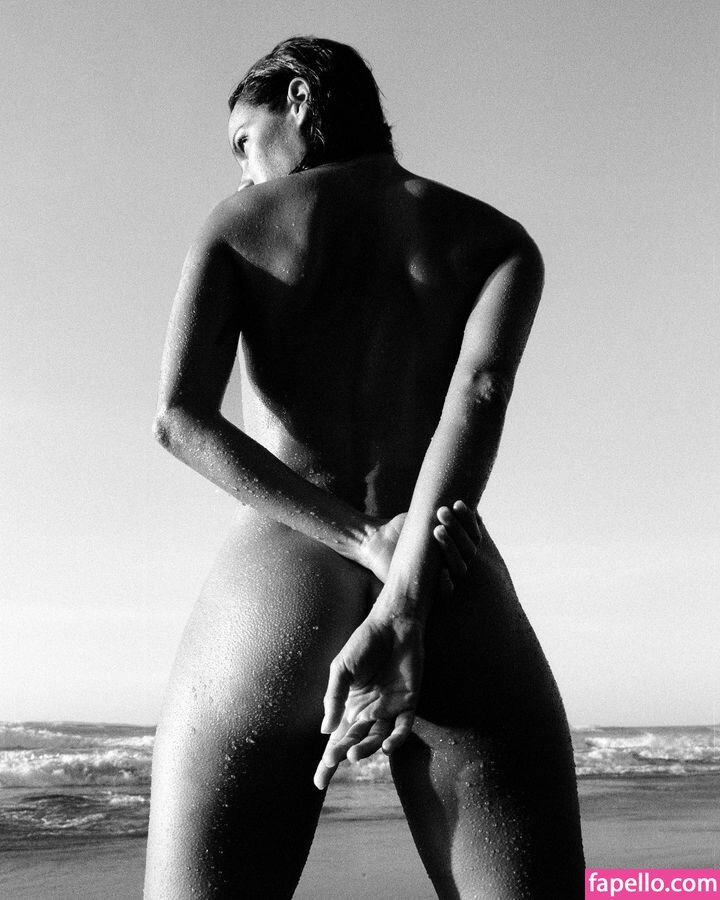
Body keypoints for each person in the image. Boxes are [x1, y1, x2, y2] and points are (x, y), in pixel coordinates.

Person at [145, 36, 585, 899]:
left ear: (299, 99)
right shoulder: (499, 242)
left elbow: (179, 418)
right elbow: (481, 393)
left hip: (280, 582)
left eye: (244, 141)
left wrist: (360, 539)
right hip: (447, 575)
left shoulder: (240, 223)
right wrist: (405, 585)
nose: (245, 171)